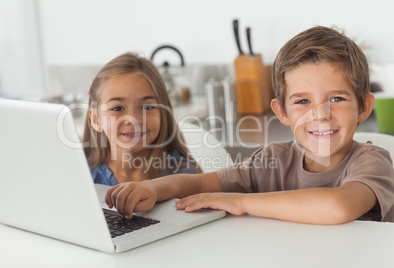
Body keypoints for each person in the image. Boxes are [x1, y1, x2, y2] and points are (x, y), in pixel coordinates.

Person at [103, 26, 394, 224]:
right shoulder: (273, 160)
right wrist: (153, 188)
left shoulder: (371, 162)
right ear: (282, 112)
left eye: (337, 98)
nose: (320, 114)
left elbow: (338, 206)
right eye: (302, 101)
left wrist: (242, 202)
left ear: (364, 107)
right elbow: (197, 182)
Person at [82, 52, 201, 186]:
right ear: (96, 119)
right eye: (118, 108)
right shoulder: (81, 175)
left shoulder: (184, 175)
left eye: (147, 107)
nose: (134, 119)